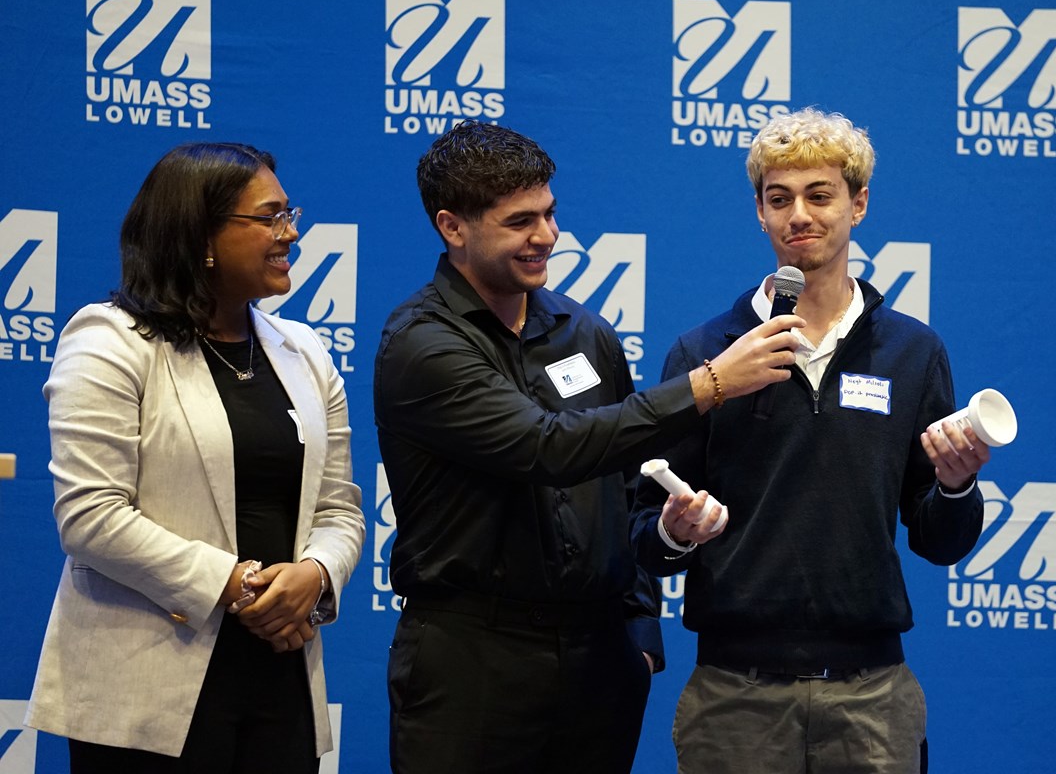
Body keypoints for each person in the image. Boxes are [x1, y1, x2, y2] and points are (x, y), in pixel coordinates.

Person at [374, 120, 804, 774]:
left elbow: (627, 483)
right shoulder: (422, 343)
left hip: (600, 664)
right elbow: (547, 447)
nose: (545, 236)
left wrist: (640, 630)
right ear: (452, 227)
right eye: (519, 221)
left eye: (548, 214)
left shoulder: (585, 333)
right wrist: (710, 382)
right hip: (474, 659)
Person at [630, 107, 990, 774]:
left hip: (873, 695)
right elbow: (645, 535)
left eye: (819, 195)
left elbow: (941, 539)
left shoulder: (913, 351)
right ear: (760, 214)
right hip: (733, 696)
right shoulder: (706, 353)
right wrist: (678, 531)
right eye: (779, 198)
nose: (800, 215)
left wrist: (957, 484)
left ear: (858, 204)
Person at [25, 143, 365, 773]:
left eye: (289, 213)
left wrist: (314, 577)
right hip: (145, 688)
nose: (291, 233)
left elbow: (340, 508)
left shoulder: (307, 353)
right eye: (270, 218)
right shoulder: (109, 341)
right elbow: (91, 517)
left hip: (280, 675)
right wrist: (238, 587)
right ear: (201, 235)